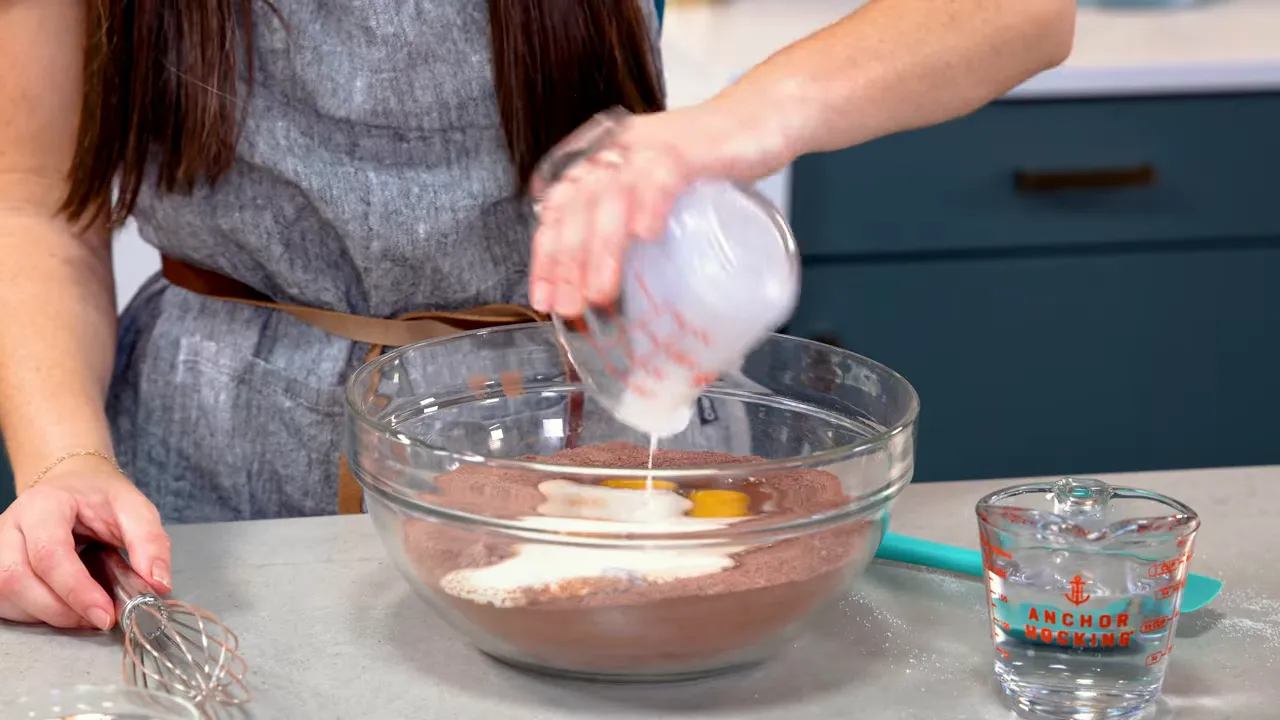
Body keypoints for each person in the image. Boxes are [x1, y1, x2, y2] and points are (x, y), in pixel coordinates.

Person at [0, 0, 1072, 632]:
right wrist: (61, 464)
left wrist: (743, 123)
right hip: (210, 473)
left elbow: (1018, 14)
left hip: (580, 430)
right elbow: (31, 207)